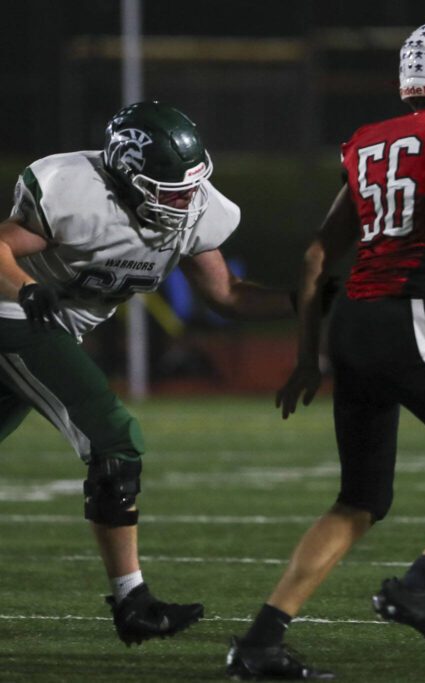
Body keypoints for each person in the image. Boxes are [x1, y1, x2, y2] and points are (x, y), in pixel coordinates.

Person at [226, 19, 425, 680]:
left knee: (360, 499)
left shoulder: (371, 138)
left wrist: (306, 356)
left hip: (352, 325)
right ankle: (419, 585)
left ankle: (259, 642)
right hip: (405, 314)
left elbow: (318, 253)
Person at [0, 101, 296, 646]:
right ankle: (133, 601)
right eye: (170, 188)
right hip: (15, 317)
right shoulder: (76, 191)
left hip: (51, 328)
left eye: (190, 186)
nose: (186, 201)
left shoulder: (196, 209)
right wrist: (27, 287)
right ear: (126, 176)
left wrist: (303, 300)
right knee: (114, 438)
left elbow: (226, 294)